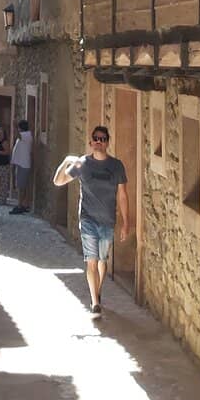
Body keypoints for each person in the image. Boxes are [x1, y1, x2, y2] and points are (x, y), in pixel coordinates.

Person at [53, 125, 129, 318]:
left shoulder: (116, 166)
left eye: (102, 138)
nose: (99, 141)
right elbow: (58, 181)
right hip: (88, 219)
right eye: (96, 138)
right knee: (91, 262)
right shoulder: (82, 164)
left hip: (107, 221)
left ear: (107, 142)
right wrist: (65, 161)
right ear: (91, 142)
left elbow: (122, 196)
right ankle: (95, 302)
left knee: (103, 261)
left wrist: (126, 223)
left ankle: (97, 291)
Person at [9, 119, 33, 215]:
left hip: (23, 164)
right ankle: (24, 204)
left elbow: (18, 135)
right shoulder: (26, 135)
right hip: (21, 164)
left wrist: (14, 126)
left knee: (20, 186)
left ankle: (20, 205)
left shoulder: (26, 135)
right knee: (23, 185)